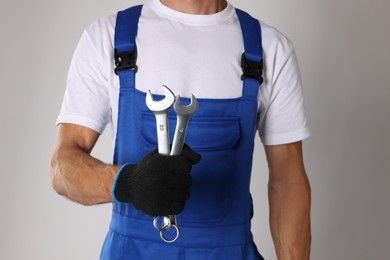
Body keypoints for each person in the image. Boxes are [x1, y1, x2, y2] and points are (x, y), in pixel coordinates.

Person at [50, 0, 311, 259]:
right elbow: (62, 168)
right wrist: (129, 183)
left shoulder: (270, 49)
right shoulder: (106, 38)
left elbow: (287, 180)